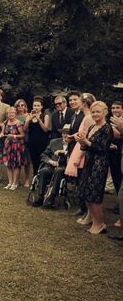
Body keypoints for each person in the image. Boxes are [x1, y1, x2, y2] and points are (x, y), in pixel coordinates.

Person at [75, 101, 113, 234]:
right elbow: (86, 147)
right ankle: (94, 222)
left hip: (99, 164)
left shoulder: (107, 128)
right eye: (93, 112)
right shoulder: (91, 127)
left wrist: (86, 142)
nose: (95, 114)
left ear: (105, 112)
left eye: (98, 111)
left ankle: (100, 224)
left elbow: (102, 148)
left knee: (94, 194)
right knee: (87, 192)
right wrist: (82, 143)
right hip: (89, 162)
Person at [66, 93, 96, 222]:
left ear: (84, 103)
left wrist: (78, 157)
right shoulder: (81, 116)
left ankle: (86, 211)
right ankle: (83, 208)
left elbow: (88, 136)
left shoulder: (88, 117)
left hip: (82, 149)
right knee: (79, 180)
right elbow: (81, 133)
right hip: (78, 146)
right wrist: (72, 136)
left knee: (83, 180)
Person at [31, 126, 70, 208]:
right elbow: (43, 155)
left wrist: (65, 152)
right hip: (52, 166)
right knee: (44, 170)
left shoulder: (74, 145)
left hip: (66, 169)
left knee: (59, 170)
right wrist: (51, 161)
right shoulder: (54, 142)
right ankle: (41, 197)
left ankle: (51, 198)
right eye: (64, 133)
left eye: (68, 133)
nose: (65, 135)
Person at [24, 96, 50, 187]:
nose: (36, 107)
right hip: (32, 142)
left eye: (38, 105)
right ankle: (35, 180)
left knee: (41, 161)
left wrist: (39, 119)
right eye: (34, 105)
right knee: (34, 161)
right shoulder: (29, 116)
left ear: (41, 107)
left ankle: (43, 181)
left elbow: (45, 129)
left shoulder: (45, 116)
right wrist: (28, 120)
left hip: (42, 142)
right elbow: (25, 129)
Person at [0, 106, 26, 190]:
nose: (10, 114)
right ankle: (10, 182)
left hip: (16, 145)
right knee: (8, 164)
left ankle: (15, 183)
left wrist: (14, 135)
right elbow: (3, 132)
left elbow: (23, 135)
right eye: (8, 113)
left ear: (15, 113)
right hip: (7, 145)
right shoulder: (5, 122)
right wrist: (1, 134)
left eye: (12, 113)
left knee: (15, 165)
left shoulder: (18, 123)